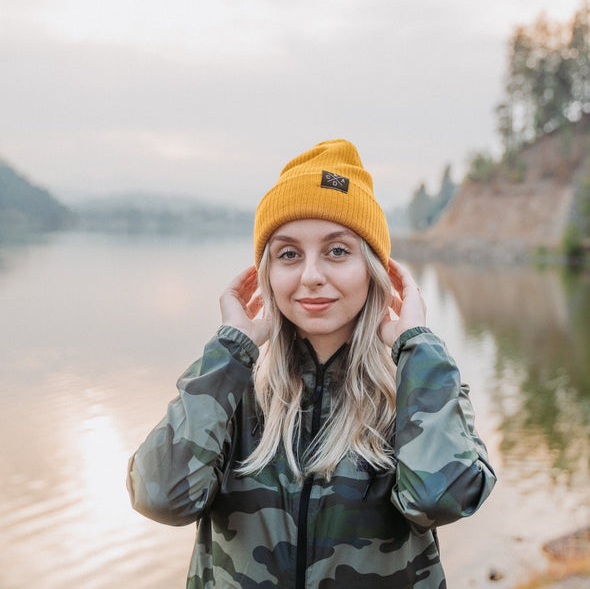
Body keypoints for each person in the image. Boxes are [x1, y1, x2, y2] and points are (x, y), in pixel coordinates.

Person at [127, 139, 496, 588]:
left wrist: (418, 346)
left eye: (337, 251)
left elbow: (441, 499)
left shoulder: (422, 391)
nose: (311, 276)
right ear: (265, 275)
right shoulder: (230, 392)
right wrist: (230, 350)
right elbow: (159, 498)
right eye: (289, 254)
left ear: (375, 271)